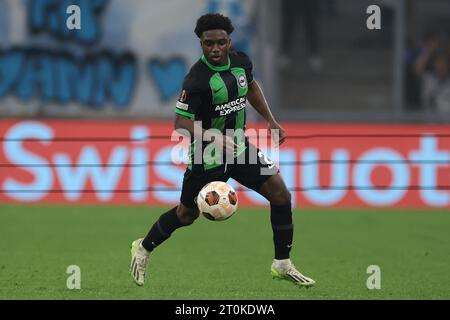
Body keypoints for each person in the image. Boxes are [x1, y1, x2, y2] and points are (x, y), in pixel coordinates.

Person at [130, 13, 315, 288]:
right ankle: (143, 248)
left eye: (220, 42)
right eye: (208, 44)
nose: (215, 49)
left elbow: (250, 87)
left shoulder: (241, 62)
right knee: (186, 214)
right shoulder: (196, 79)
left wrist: (270, 120)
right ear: (201, 44)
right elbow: (180, 123)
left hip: (239, 147)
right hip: (207, 156)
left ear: (229, 42)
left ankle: (282, 263)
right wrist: (212, 137)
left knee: (280, 193)